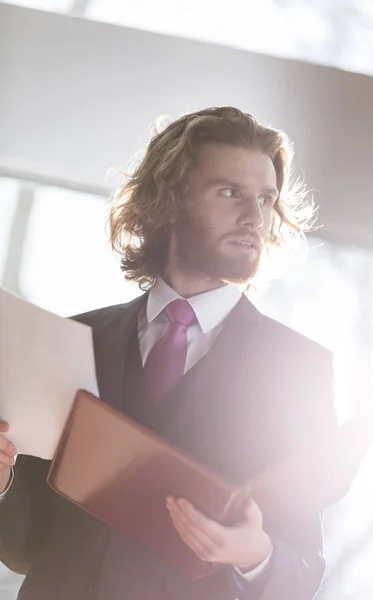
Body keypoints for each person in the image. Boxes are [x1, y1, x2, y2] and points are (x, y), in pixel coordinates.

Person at [0, 106, 337, 600]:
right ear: (171, 199)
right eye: (230, 192)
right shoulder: (76, 336)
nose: (254, 218)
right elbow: (25, 546)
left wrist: (253, 553)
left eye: (266, 199)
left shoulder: (298, 371)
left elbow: (303, 568)